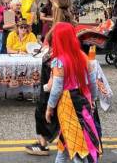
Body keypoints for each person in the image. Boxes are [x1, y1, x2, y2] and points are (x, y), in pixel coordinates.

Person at [45, 22, 112, 163]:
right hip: (83, 99)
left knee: (77, 147)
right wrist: (92, 99)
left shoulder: (59, 61)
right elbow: (92, 82)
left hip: (68, 103)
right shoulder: (83, 56)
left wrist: (50, 107)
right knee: (66, 141)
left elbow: (57, 88)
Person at [25, 32, 59, 157]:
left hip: (52, 92)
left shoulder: (58, 58)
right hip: (52, 91)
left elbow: (56, 82)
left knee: (42, 113)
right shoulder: (54, 54)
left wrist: (50, 105)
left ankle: (43, 144)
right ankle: (43, 142)